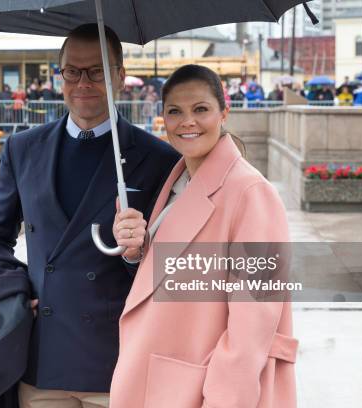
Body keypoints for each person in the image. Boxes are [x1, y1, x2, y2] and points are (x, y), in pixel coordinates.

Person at [0, 23, 180, 408]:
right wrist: (11, 291)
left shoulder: (159, 159)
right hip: (43, 361)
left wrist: (138, 250)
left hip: (119, 359)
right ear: (60, 75)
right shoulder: (22, 149)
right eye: (73, 71)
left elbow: (170, 269)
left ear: (119, 76)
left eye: (97, 71)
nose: (83, 82)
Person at [109, 65, 297, 408]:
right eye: (174, 111)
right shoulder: (178, 181)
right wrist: (137, 250)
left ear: (224, 113)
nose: (187, 122)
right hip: (161, 378)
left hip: (200, 389)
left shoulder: (251, 193)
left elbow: (251, 328)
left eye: (200, 109)